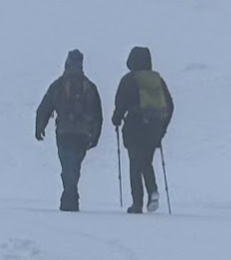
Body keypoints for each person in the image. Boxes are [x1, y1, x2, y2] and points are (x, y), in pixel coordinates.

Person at [34, 49, 103, 212]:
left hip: (64, 132)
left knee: (67, 165)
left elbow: (44, 107)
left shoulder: (59, 84)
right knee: (74, 166)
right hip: (83, 134)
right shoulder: (89, 86)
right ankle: (71, 197)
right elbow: (97, 114)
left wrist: (40, 127)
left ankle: (69, 198)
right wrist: (96, 135)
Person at [111, 46, 174, 214]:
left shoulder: (129, 79)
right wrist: (162, 129)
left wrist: (116, 118)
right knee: (146, 161)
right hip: (153, 129)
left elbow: (121, 103)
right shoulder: (157, 80)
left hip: (134, 126)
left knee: (134, 163)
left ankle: (137, 203)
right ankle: (152, 191)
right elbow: (170, 106)